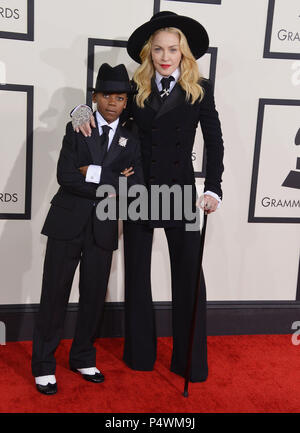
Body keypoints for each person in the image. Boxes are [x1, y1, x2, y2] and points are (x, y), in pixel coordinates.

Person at [72, 11, 224, 383]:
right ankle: (140, 355)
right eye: (158, 49)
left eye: (172, 49)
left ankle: (190, 362)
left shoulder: (199, 87)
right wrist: (80, 111)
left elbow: (215, 140)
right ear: (149, 53)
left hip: (180, 191)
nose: (165, 56)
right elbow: (109, 114)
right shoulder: (136, 86)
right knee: (138, 274)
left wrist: (213, 186)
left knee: (188, 276)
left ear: (183, 52)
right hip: (139, 189)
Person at [31, 63, 143, 395]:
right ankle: (43, 365)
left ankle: (82, 356)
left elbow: (132, 184)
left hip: (104, 226)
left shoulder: (131, 138)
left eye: (119, 97)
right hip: (67, 222)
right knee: (54, 294)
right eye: (106, 95)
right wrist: (111, 178)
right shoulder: (78, 126)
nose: (112, 102)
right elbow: (66, 175)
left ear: (126, 102)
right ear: (95, 97)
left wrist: (92, 173)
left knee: (93, 296)